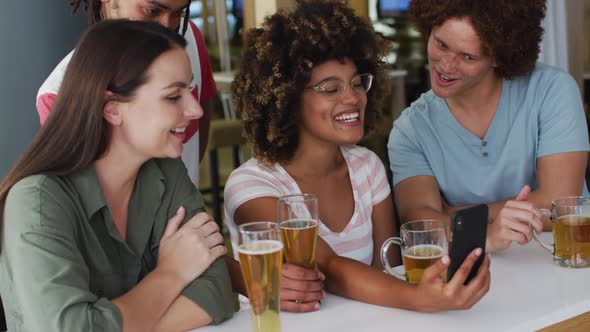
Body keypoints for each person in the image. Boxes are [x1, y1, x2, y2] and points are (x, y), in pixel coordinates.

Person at [225, 0, 490, 312]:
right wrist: (419, 299)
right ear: (288, 99)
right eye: (330, 88)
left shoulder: (366, 166)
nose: (352, 98)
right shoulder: (251, 186)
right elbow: (327, 267)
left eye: (355, 83)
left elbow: (388, 270)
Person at [0, 20, 234, 331]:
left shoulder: (166, 170)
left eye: (190, 90)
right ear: (112, 109)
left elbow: (218, 291)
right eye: (173, 96)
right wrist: (172, 274)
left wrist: (111, 323)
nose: (196, 110)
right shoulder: (37, 201)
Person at [388, 0, 590, 253]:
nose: (446, 66)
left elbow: (560, 206)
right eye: (441, 44)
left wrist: (457, 216)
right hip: (475, 275)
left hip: (564, 262)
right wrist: (488, 233)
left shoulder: (552, 90)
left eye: (467, 57)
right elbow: (422, 227)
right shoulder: (410, 130)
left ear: (497, 57)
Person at [36, 0, 215, 184]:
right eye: (152, 11)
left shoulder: (189, 39)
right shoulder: (61, 94)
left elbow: (197, 139)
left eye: (179, 13)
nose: (168, 28)